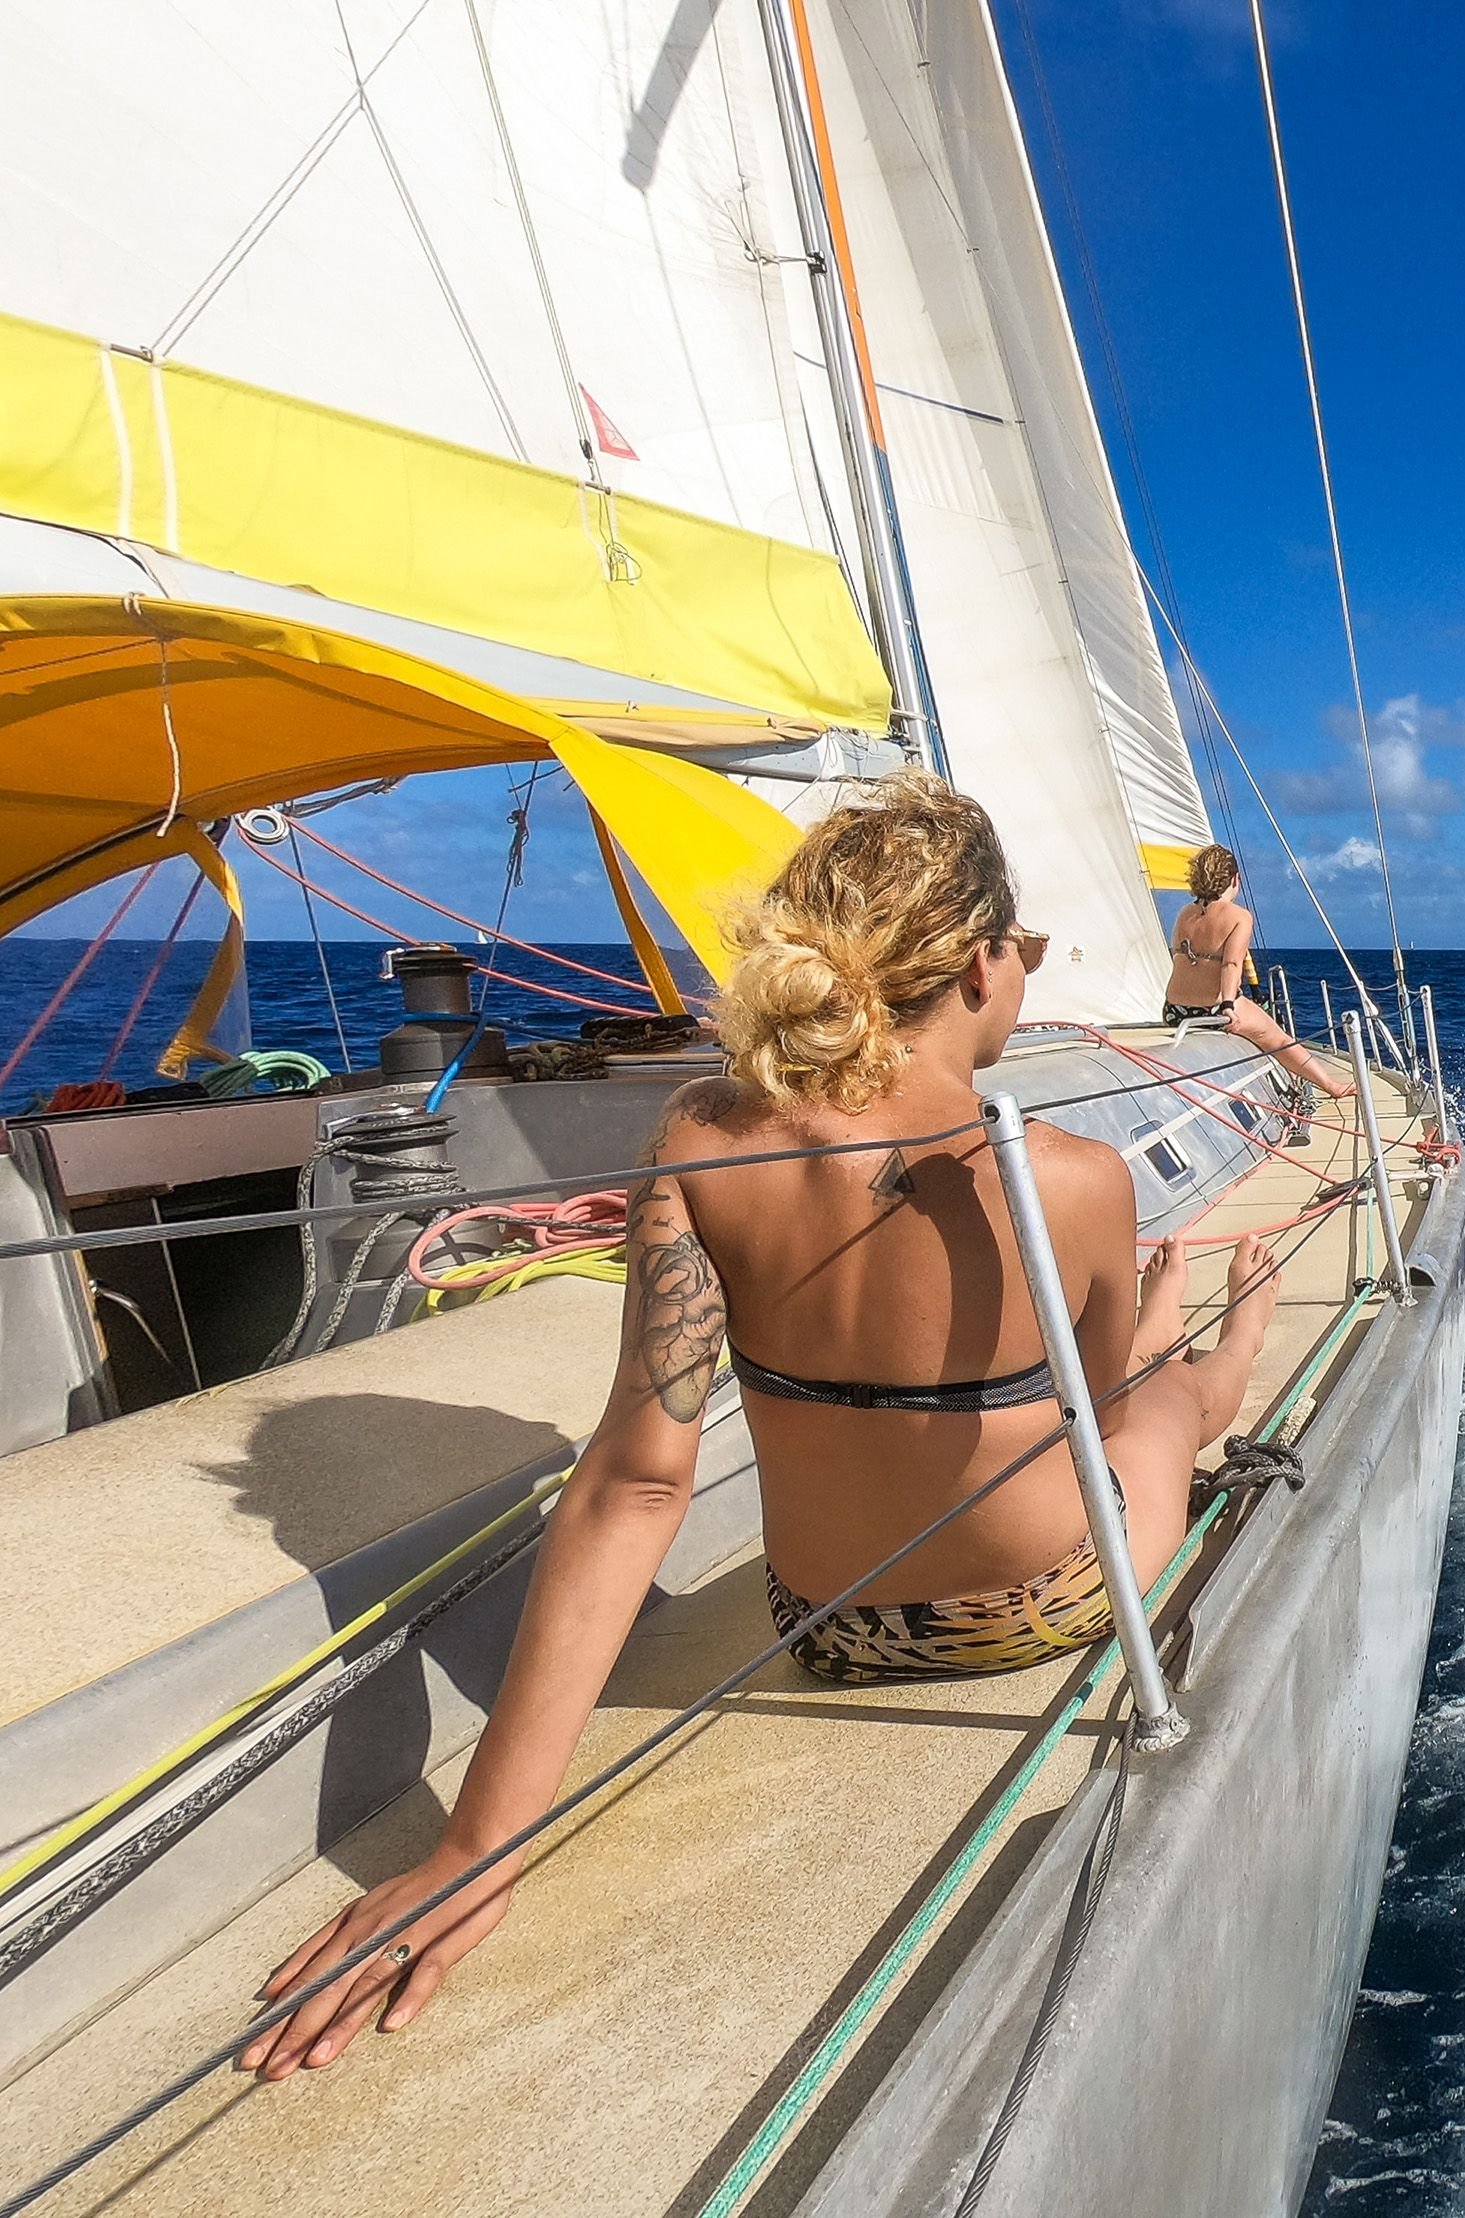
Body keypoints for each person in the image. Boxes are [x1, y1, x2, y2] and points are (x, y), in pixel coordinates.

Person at [240, 772, 1278, 2078]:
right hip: (1040, 1604)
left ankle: (1200, 1318)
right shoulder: (1073, 1178)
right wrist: (1145, 1329)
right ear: (972, 967)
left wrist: (474, 1849)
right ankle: (1237, 1324)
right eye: (1018, 949)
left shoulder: (705, 1135)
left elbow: (631, 1486)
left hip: (823, 1623)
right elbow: (1101, 1422)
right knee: (1170, 1403)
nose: (1023, 974)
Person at [1163, 844, 1354, 1101]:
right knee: (1277, 1039)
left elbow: (1179, 957)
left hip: (1174, 1009)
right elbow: (1231, 964)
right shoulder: (1239, 917)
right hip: (1214, 1010)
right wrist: (1229, 1005)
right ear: (1234, 879)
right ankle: (1332, 1086)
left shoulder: (1185, 913)